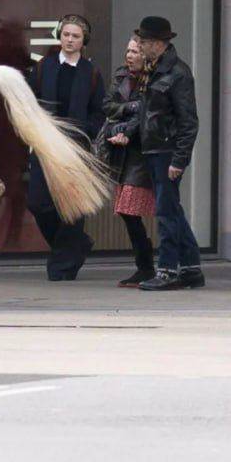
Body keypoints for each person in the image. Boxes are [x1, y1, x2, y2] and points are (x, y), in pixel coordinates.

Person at [27, 14, 105, 281]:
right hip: (45, 145)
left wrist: (86, 134)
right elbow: (29, 103)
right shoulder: (42, 67)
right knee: (38, 203)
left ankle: (63, 265)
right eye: (66, 35)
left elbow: (99, 111)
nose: (70, 40)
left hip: (76, 149)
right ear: (59, 36)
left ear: (84, 41)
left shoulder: (91, 72)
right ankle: (75, 245)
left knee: (73, 209)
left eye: (76, 36)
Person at [131, 16, 203, 291]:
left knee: (165, 212)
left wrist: (179, 160)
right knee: (172, 210)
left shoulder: (177, 73)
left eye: (145, 42)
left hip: (166, 150)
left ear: (159, 44)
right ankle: (192, 269)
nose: (141, 45)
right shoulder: (156, 69)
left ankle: (168, 269)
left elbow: (189, 121)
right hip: (154, 149)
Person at [100, 36, 154, 287]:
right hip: (121, 154)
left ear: (145, 55)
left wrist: (126, 130)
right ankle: (146, 267)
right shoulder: (121, 76)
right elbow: (107, 106)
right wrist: (130, 108)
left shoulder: (153, 80)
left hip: (142, 154)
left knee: (131, 210)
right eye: (128, 50)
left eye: (135, 51)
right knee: (127, 211)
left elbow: (146, 115)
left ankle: (149, 266)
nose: (129, 55)